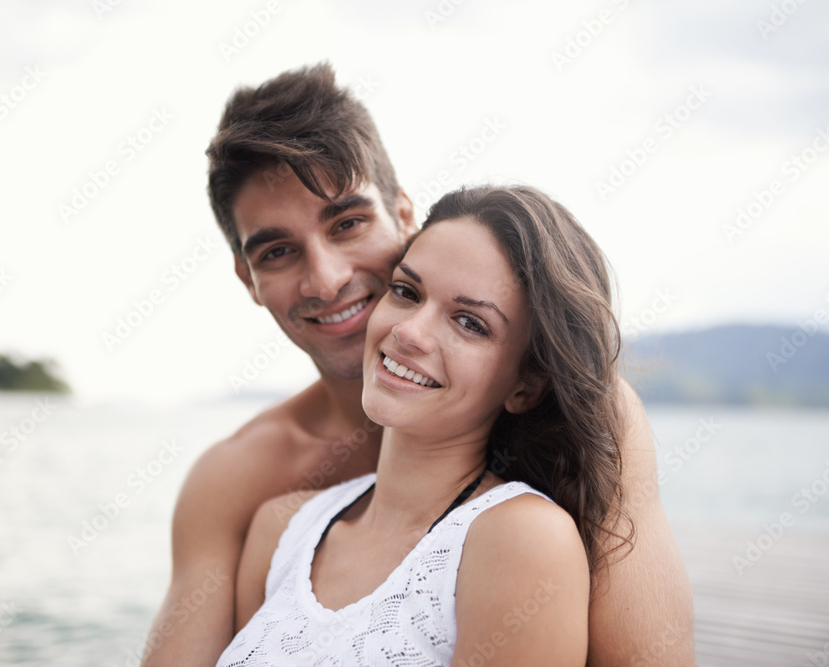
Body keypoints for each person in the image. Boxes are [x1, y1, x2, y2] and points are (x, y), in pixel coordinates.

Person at [140, 63, 693, 666]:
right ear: (249, 279)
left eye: (347, 223)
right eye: (277, 251)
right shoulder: (245, 483)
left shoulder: (591, 421)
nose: (326, 280)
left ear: (405, 215)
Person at [217, 184, 626, 665]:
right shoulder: (280, 530)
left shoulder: (523, 540)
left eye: (470, 323)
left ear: (526, 386)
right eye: (406, 292)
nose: (408, 332)